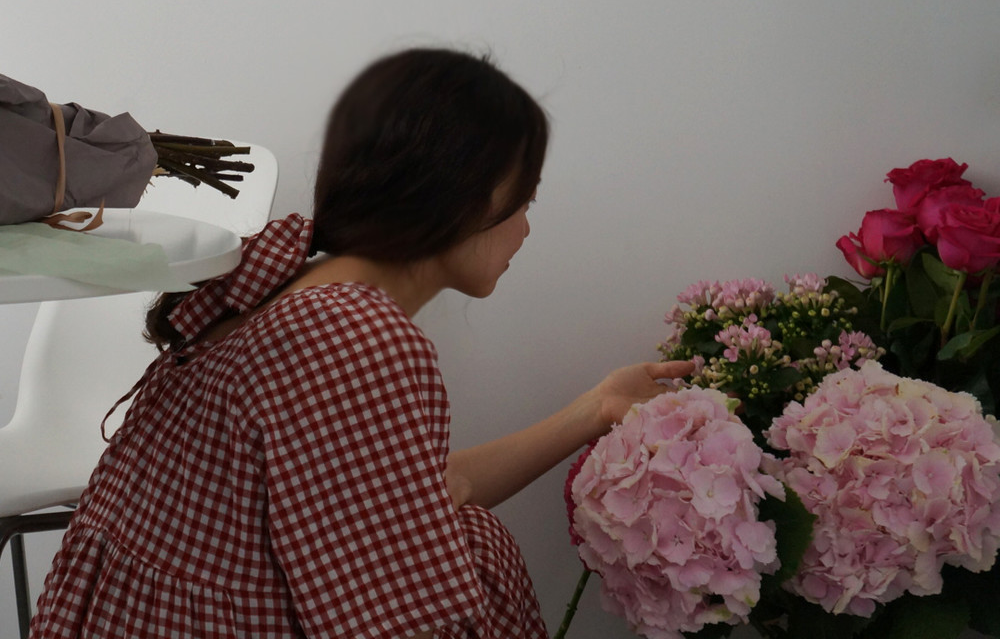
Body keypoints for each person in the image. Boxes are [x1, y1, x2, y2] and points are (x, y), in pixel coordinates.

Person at [29, 47, 693, 639]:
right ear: (470, 199)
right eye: (525, 203)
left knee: (469, 535)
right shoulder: (355, 337)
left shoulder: (294, 286)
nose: (526, 229)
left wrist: (596, 407)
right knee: (478, 550)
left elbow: (432, 490)